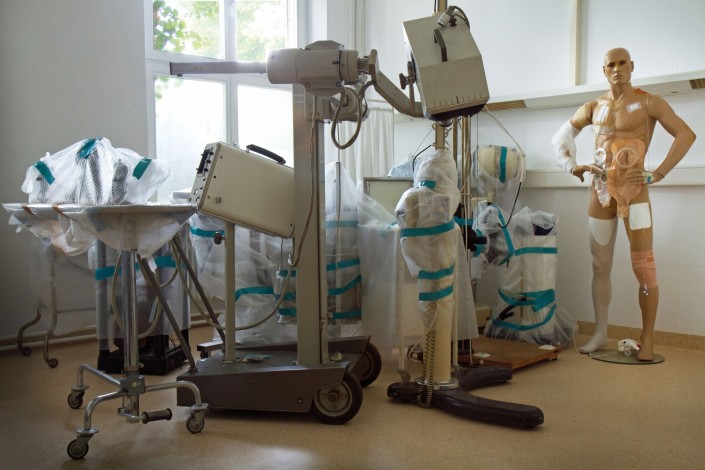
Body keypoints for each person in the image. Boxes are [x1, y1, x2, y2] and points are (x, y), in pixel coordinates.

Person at [551, 47, 696, 361]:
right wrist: (571, 165)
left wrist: (658, 173)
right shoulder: (593, 106)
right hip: (600, 191)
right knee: (599, 266)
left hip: (635, 191)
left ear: (632, 66)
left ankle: (648, 338)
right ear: (604, 70)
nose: (617, 69)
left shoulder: (649, 102)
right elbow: (560, 138)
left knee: (644, 267)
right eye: (611, 65)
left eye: (622, 63)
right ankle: (601, 332)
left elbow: (686, 134)